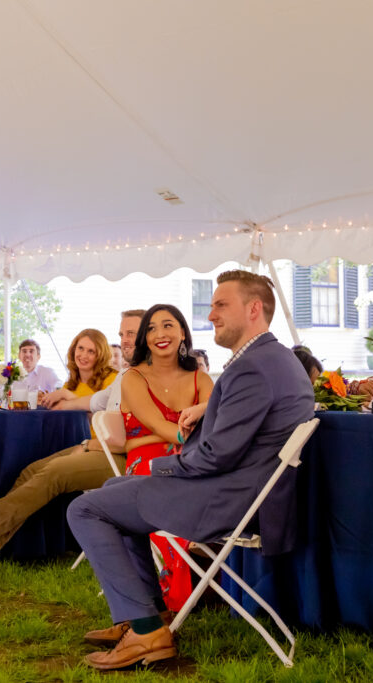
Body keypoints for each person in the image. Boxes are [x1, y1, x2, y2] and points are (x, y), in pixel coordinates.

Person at [67, 270, 314, 670]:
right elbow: (240, 432)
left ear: (253, 309)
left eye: (221, 304)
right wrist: (208, 410)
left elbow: (218, 455)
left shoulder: (253, 367)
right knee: (116, 486)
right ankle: (148, 613)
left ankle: (147, 630)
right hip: (244, 491)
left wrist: (161, 467)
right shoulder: (274, 359)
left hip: (225, 498)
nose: (211, 313)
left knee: (84, 508)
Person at [0, 311, 143, 551]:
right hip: (98, 446)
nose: (124, 340)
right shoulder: (125, 375)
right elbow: (93, 402)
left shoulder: (133, 378)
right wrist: (59, 399)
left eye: (131, 334)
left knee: (52, 473)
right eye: (122, 334)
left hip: (123, 456)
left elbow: (121, 430)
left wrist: (87, 443)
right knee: (30, 470)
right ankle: (1, 544)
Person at [120, 305, 214, 611]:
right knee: (165, 490)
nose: (160, 334)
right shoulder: (133, 378)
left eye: (168, 325)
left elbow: (219, 423)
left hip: (191, 459)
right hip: (146, 463)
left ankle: (192, 584)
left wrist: (203, 411)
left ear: (183, 332)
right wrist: (195, 423)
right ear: (145, 339)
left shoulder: (201, 378)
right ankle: (181, 589)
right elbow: (165, 428)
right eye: (151, 328)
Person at [39, 331, 116, 409]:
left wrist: (66, 395)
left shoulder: (113, 379)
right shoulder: (69, 385)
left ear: (101, 356)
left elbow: (102, 414)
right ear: (74, 350)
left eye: (91, 351)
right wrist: (46, 401)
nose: (84, 355)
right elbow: (59, 412)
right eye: (80, 348)